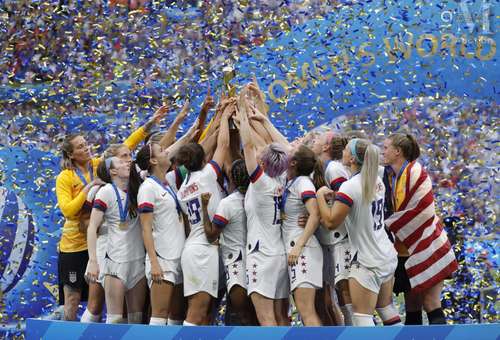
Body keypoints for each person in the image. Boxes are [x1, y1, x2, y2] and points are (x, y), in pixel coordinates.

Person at [56, 106, 167, 321]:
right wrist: (88, 188)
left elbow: (126, 146)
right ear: (71, 154)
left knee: (99, 303)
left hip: (99, 242)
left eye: (86, 144)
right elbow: (68, 210)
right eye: (80, 147)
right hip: (74, 246)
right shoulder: (65, 177)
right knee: (72, 301)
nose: (86, 148)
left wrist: (150, 123)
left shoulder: (97, 164)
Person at [316, 138, 400, 326]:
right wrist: (338, 197)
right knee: (387, 310)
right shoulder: (376, 180)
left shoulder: (350, 186)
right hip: (385, 254)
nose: (342, 152)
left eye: (346, 149)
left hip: (367, 260)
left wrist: (320, 195)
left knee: (362, 319)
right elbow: (359, 201)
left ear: (352, 158)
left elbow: (330, 222)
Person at [382, 133, 458, 325]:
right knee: (412, 305)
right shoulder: (392, 176)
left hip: (427, 244)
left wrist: (390, 224)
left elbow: (423, 210)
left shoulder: (416, 171)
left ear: (397, 151)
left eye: (386, 148)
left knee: (430, 302)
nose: (383, 151)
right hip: (405, 251)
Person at [237, 93, 290, 326]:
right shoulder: (283, 178)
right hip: (279, 253)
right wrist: (261, 115)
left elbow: (248, 145)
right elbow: (286, 148)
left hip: (261, 254)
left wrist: (242, 117)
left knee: (266, 317)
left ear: (262, 164)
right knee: (281, 316)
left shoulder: (260, 183)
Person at [175, 109, 230, 326]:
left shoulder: (182, 190)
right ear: (204, 159)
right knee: (197, 312)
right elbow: (224, 146)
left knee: (206, 313)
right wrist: (224, 118)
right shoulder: (207, 176)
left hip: (195, 247)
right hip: (202, 251)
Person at [86, 157, 146, 324]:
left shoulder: (137, 189)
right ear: (112, 171)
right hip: (115, 262)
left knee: (136, 320)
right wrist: (93, 261)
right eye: (120, 162)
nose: (127, 163)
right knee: (115, 320)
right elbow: (92, 227)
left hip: (138, 261)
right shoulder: (106, 192)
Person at [200, 159, 258, 325]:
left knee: (244, 317)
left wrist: (204, 207)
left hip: (237, 264)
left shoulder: (227, 204)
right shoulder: (260, 199)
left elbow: (211, 235)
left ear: (231, 178)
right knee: (256, 317)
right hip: (257, 261)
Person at [135, 141, 186, 326]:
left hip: (178, 257)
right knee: (159, 316)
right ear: (153, 160)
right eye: (162, 151)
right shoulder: (148, 188)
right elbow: (145, 228)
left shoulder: (167, 183)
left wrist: (197, 125)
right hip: (162, 260)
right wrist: (154, 263)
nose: (167, 152)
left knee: (176, 317)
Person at [282, 145, 324, 326]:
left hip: (303, 250)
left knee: (306, 311)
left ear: (294, 162)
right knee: (306, 310)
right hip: (297, 249)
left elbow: (315, 215)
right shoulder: (294, 182)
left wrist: (298, 246)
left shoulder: (304, 183)